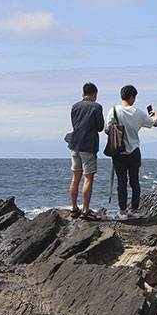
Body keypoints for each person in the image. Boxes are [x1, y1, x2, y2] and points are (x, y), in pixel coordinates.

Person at [105, 84, 157, 220]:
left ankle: (122, 211)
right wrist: (156, 114)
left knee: (121, 182)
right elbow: (155, 123)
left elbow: (106, 130)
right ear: (132, 97)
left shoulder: (113, 111)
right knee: (134, 181)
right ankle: (134, 210)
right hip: (134, 150)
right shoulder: (138, 112)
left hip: (118, 151)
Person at [66, 82, 104, 220]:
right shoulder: (97, 107)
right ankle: (85, 210)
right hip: (88, 146)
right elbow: (100, 127)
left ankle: (74, 208)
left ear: (83, 94)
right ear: (95, 95)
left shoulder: (75, 106)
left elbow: (74, 124)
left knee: (75, 177)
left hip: (75, 144)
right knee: (88, 178)